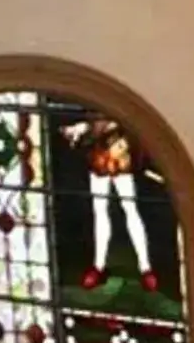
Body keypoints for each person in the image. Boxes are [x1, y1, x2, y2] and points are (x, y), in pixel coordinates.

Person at [61, 115, 159, 291]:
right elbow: (93, 120)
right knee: (100, 210)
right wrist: (81, 129)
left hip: (120, 153)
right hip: (99, 157)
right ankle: (98, 266)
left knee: (130, 208)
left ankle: (145, 268)